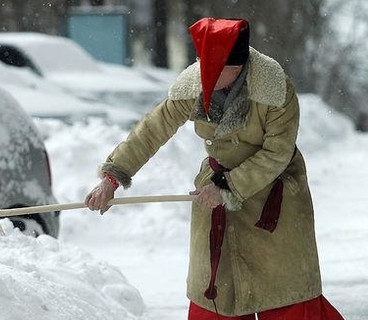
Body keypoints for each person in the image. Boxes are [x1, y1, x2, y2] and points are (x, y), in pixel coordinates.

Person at [85, 18, 345, 319]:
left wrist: (228, 187)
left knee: (285, 297)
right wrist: (112, 177)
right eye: (201, 63)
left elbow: (277, 153)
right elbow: (153, 129)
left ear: (236, 67)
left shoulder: (274, 88)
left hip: (273, 197)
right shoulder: (195, 83)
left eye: (213, 68)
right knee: (218, 297)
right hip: (215, 195)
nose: (203, 73)